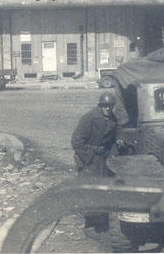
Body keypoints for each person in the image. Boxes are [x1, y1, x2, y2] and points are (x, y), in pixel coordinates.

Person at [71, 92, 118, 239]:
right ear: (100, 106)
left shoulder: (112, 119)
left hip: (103, 160)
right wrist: (91, 155)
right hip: (89, 160)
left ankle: (101, 224)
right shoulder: (89, 119)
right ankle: (87, 225)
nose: (108, 109)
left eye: (110, 106)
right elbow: (76, 142)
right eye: (105, 106)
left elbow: (112, 139)